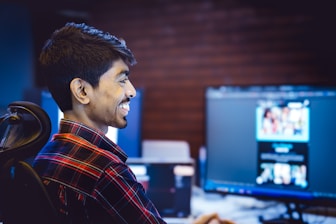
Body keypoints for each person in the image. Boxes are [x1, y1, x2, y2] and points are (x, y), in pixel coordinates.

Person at [33, 22, 234, 224]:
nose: (132, 91)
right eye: (121, 80)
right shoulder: (105, 171)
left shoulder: (46, 156)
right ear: (82, 91)